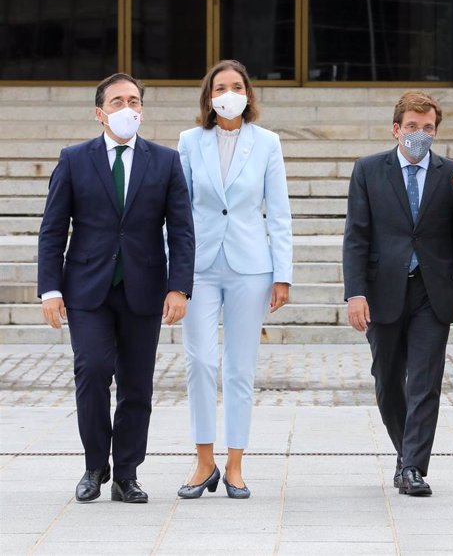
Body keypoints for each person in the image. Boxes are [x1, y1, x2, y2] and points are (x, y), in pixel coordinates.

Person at [38, 73, 195, 504]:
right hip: (87, 290)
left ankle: (127, 473)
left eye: (135, 101)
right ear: (100, 113)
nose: (128, 108)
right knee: (90, 372)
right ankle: (94, 466)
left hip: (144, 289)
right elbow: (53, 230)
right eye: (118, 101)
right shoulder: (73, 159)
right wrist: (50, 290)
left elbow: (182, 230)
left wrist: (179, 287)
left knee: (137, 385)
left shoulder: (165, 161)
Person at [343, 90, 453, 497]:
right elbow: (356, 236)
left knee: (425, 381)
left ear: (435, 131)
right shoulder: (368, 171)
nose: (420, 134)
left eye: (428, 128)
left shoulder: (451, 174)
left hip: (433, 294)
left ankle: (413, 468)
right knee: (387, 380)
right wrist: (355, 293)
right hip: (383, 291)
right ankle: (407, 455)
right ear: (396, 129)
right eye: (412, 127)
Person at [176, 60, 292, 500]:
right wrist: (175, 271)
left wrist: (283, 275)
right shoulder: (190, 141)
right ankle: (203, 460)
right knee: (201, 361)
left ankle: (235, 464)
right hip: (200, 266)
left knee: (240, 368)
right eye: (220, 86)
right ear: (209, 96)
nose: (229, 92)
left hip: (251, 266)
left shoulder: (267, 143)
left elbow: (278, 213)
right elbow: (178, 211)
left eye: (236, 85)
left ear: (248, 93)